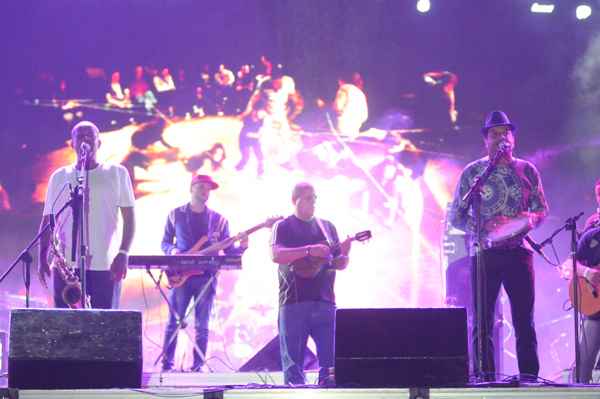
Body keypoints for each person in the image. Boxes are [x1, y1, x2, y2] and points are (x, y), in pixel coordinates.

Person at [448, 110, 549, 382]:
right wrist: (483, 228)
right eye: (495, 134)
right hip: (484, 253)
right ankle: (486, 377)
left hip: (519, 253)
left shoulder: (527, 170)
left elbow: (541, 211)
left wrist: (519, 222)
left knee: (524, 321)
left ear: (513, 138)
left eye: (506, 132)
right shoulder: (473, 172)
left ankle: (529, 377)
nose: (501, 137)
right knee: (482, 322)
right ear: (486, 140)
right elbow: (456, 215)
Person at [38, 121, 136, 309]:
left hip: (106, 266)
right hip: (65, 268)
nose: (85, 139)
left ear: (99, 143)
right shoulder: (59, 177)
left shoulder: (117, 173)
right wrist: (42, 256)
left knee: (103, 326)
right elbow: (48, 220)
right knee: (66, 327)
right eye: (80, 135)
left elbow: (130, 218)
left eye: (90, 135)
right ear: (72, 143)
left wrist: (123, 253)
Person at [160, 174, 247, 372]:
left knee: (202, 324)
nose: (205, 191)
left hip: (206, 277)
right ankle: (167, 365)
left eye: (208, 188)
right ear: (191, 188)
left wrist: (242, 247)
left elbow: (229, 251)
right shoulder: (176, 214)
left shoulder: (219, 221)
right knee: (174, 321)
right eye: (201, 187)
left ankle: (198, 366)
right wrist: (174, 253)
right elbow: (165, 242)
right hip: (181, 276)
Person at [270, 182, 352, 385]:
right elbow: (277, 255)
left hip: (325, 301)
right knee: (293, 369)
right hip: (293, 302)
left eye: (314, 197)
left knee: (331, 366)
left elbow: (338, 262)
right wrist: (309, 250)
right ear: (294, 200)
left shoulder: (327, 227)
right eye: (307, 198)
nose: (312, 202)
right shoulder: (283, 226)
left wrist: (344, 257)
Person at [564, 178, 600, 383]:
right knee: (582, 368)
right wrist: (587, 273)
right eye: (599, 195)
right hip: (596, 309)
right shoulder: (592, 229)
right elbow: (569, 266)